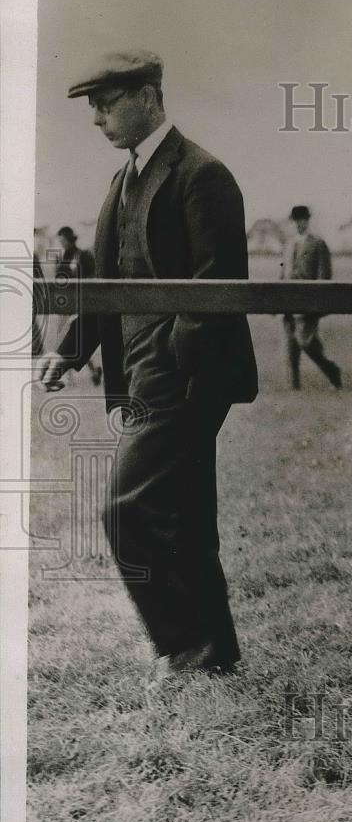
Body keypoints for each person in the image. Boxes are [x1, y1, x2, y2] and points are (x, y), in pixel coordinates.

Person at [38, 49, 258, 677]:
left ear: (149, 96)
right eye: (93, 108)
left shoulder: (201, 173)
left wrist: (170, 357)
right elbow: (110, 282)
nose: (97, 119)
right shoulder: (123, 179)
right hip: (137, 373)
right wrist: (71, 350)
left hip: (182, 377)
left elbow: (217, 289)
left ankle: (183, 647)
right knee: (182, 514)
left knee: (126, 508)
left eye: (107, 104)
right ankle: (213, 651)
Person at [281, 205, 342, 391]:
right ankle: (294, 388)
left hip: (308, 303)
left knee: (306, 342)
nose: (299, 223)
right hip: (287, 302)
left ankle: (332, 371)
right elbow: (283, 271)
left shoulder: (318, 243)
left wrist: (318, 304)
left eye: (302, 219)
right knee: (290, 348)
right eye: (296, 220)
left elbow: (324, 275)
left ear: (307, 221)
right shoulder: (289, 243)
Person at [55, 226, 102, 385]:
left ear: (69, 239)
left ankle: (92, 370)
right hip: (66, 303)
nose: (61, 243)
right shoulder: (61, 257)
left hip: (80, 303)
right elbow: (58, 277)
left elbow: (91, 276)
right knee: (65, 337)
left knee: (79, 336)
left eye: (63, 240)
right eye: (59, 240)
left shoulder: (82, 255)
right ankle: (68, 375)